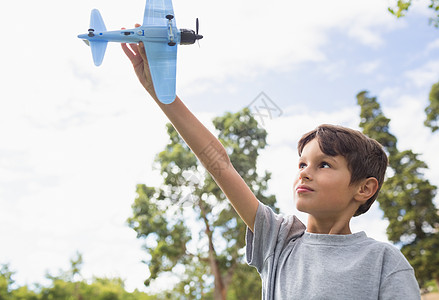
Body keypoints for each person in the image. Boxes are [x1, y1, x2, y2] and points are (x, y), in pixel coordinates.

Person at [121, 38, 421, 299]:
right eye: (302, 163)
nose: (304, 172)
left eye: (324, 164)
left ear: (364, 188)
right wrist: (162, 94)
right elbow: (219, 164)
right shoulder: (279, 241)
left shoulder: (384, 262)